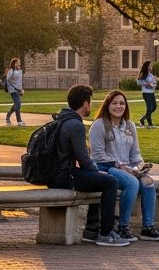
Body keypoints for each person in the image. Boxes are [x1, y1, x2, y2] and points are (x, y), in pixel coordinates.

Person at [53, 84, 131, 246]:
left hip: (58, 174)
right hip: (66, 176)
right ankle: (105, 232)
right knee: (109, 181)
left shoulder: (64, 118)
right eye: (90, 102)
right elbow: (84, 159)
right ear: (85, 103)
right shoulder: (76, 125)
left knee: (97, 179)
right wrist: (98, 172)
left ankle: (91, 229)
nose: (91, 105)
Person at [89, 89, 159, 241]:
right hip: (107, 167)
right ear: (107, 105)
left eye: (122, 103)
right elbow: (98, 156)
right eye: (115, 103)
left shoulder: (129, 126)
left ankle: (148, 227)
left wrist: (140, 166)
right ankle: (123, 226)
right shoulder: (99, 125)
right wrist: (120, 166)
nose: (119, 106)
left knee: (148, 182)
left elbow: (135, 153)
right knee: (132, 183)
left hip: (129, 168)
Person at [137, 60, 159, 128]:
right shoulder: (143, 74)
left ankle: (142, 119)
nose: (151, 66)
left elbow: (154, 79)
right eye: (150, 65)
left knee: (154, 107)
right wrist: (147, 84)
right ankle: (150, 124)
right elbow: (138, 82)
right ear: (147, 66)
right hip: (146, 93)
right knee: (149, 108)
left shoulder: (150, 74)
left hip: (152, 93)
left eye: (151, 65)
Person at [4, 57, 26, 126]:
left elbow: (19, 81)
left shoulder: (19, 71)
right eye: (17, 62)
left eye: (19, 62)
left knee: (16, 104)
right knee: (18, 104)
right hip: (13, 90)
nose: (19, 63)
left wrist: (21, 89)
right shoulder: (11, 71)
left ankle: (8, 116)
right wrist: (16, 88)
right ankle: (19, 121)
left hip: (18, 90)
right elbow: (9, 80)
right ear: (14, 63)